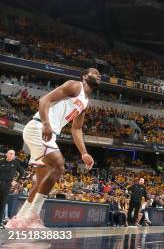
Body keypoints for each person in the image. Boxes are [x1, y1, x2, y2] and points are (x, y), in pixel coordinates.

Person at [6, 68, 100, 229]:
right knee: (58, 166)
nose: (98, 75)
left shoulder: (85, 102)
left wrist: (84, 152)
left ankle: (18, 221)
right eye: (94, 72)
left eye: (99, 74)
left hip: (47, 133)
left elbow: (76, 129)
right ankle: (32, 217)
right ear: (85, 76)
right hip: (39, 127)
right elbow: (44, 100)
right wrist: (46, 124)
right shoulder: (75, 86)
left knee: (41, 181)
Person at [0, 149, 25, 225]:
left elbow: (22, 172)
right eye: (10, 153)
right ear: (6, 154)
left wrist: (16, 181)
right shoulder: (1, 161)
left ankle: (0, 221)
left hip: (7, 185)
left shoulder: (15, 163)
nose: (11, 155)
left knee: (3, 203)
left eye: (13, 154)